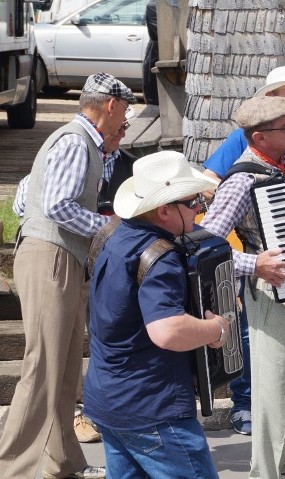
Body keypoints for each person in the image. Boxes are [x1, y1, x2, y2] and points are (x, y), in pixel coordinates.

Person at [0, 72, 134, 479]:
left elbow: (26, 196)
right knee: (43, 366)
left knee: (64, 367)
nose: (125, 119)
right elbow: (57, 206)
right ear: (110, 105)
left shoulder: (76, 142)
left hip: (56, 257)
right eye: (125, 110)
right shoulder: (76, 141)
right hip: (51, 258)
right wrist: (108, 228)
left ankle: (61, 463)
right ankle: (14, 469)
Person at [200, 95, 285, 479]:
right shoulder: (242, 180)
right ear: (259, 137)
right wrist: (253, 263)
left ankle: (277, 463)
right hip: (275, 297)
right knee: (273, 396)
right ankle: (267, 472)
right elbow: (207, 246)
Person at [84, 150, 226, 477]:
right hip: (152, 405)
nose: (199, 211)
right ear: (164, 210)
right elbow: (167, 331)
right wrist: (215, 330)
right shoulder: (160, 257)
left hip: (108, 397)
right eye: (193, 203)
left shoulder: (111, 234)